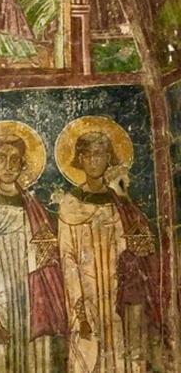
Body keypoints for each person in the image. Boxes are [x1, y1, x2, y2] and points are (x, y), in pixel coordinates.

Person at [57, 128, 164, 372]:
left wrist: (124, 197)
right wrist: (80, 312)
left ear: (109, 158)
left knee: (122, 353)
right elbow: (67, 258)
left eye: (100, 154)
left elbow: (143, 246)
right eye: (88, 155)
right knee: (89, 354)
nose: (94, 160)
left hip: (120, 293)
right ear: (80, 159)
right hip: (87, 293)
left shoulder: (120, 202)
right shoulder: (70, 204)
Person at [0, 130, 67, 372]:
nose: (8, 166)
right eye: (2, 158)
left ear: (23, 164)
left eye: (14, 159)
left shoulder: (34, 209)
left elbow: (49, 263)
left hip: (33, 302)